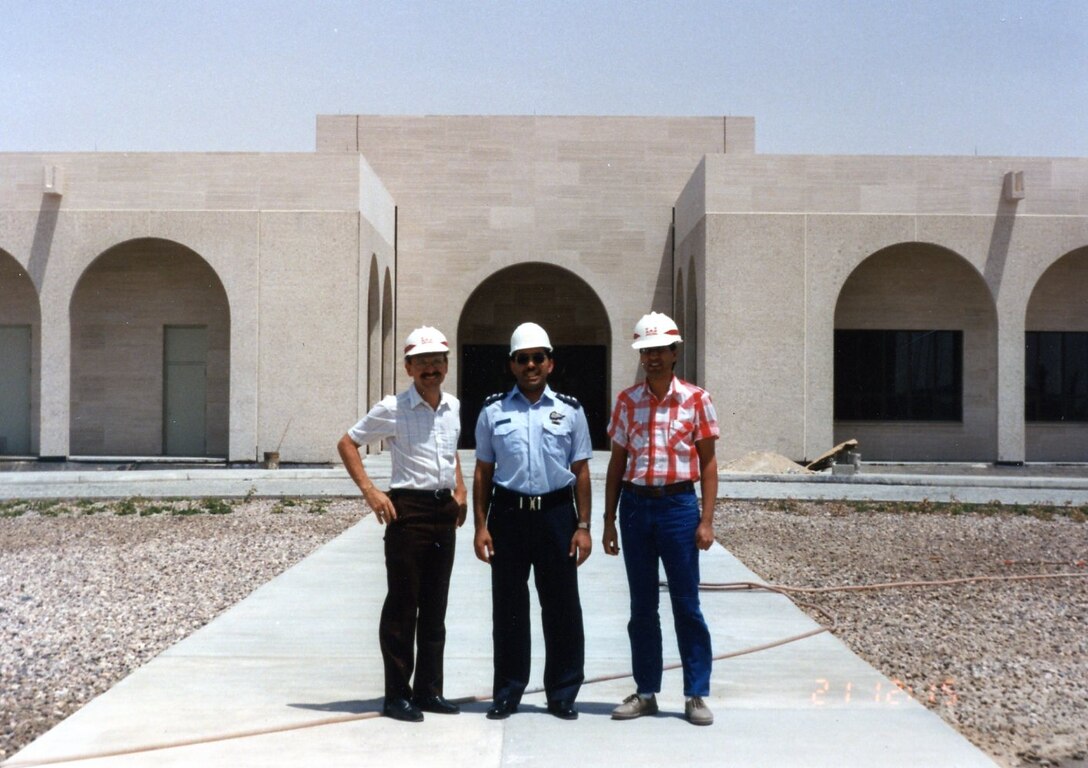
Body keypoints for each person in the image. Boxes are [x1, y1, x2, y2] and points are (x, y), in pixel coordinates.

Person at [336, 326, 468, 723]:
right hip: (407, 512)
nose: (431, 368)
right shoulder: (393, 408)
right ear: (408, 366)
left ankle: (429, 691)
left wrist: (459, 491)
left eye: (437, 360)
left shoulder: (453, 407)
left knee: (435, 606)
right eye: (422, 362)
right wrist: (371, 492)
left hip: (443, 512)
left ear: (447, 364)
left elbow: (450, 453)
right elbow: (347, 443)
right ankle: (397, 695)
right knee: (402, 606)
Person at [602, 311, 719, 726]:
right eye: (645, 351)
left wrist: (705, 520)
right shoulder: (626, 401)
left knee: (687, 604)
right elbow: (617, 464)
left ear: (674, 352)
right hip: (636, 508)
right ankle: (646, 691)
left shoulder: (695, 399)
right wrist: (608, 520)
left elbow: (707, 465)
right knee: (642, 606)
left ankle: (695, 694)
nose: (652, 357)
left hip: (678, 509)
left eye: (659, 350)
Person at [472, 322, 593, 721]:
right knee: (508, 607)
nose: (530, 365)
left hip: (557, 515)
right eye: (522, 359)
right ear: (512, 365)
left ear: (550, 363)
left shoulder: (570, 411)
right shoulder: (493, 410)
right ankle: (508, 691)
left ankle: (562, 692)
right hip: (508, 515)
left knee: (561, 606)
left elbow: (581, 471)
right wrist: (480, 526)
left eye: (537, 358)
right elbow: (482, 473)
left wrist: (584, 527)